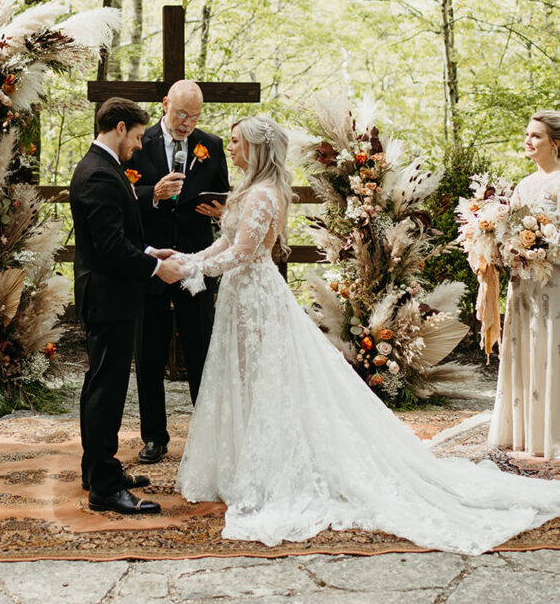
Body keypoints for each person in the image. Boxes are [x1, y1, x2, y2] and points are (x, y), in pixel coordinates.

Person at [174, 115, 560, 553]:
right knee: (241, 378)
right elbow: (225, 244)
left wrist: (188, 270)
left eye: (237, 141)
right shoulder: (247, 190)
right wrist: (186, 259)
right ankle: (239, 464)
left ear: (257, 148)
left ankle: (273, 467)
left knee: (268, 381)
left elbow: (244, 253)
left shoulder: (263, 194)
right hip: (240, 298)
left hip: (257, 297)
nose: (232, 147)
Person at [70, 96, 186, 515]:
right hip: (109, 297)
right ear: (119, 128)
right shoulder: (98, 174)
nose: (139, 146)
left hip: (110, 293)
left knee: (100, 385)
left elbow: (120, 235)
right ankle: (104, 486)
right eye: (136, 137)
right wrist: (157, 271)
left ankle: (96, 469)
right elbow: (112, 248)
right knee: (107, 391)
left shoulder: (103, 167)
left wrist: (151, 251)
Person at [127, 79, 229, 464]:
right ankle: (154, 436)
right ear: (165, 104)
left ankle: (207, 436)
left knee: (201, 348)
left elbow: (224, 197)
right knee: (148, 351)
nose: (187, 123)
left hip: (197, 262)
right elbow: (121, 195)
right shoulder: (139, 141)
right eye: (181, 114)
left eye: (195, 116)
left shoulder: (212, 146)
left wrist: (222, 212)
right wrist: (151, 194)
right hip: (152, 262)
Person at [488, 111, 560, 458]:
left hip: (552, 288)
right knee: (525, 351)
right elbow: (507, 235)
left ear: (556, 144)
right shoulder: (524, 186)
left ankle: (550, 437)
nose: (528, 141)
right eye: (528, 134)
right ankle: (524, 433)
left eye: (536, 136)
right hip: (522, 287)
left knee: (550, 352)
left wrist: (542, 250)